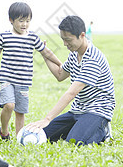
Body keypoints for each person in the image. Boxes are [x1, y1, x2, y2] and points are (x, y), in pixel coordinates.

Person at [26, 15, 115, 146]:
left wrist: (47, 118)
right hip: (77, 110)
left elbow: (71, 93)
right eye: (63, 39)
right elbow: (60, 74)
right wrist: (45, 54)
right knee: (42, 135)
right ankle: (80, 127)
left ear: (82, 35)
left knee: (74, 143)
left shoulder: (93, 59)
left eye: (68, 40)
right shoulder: (74, 54)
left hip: (97, 111)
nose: (65, 44)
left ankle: (102, 129)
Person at [0, 2, 61, 140]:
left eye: (27, 21)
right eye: (21, 21)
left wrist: (60, 64)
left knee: (20, 112)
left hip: (24, 81)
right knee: (9, 105)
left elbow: (46, 52)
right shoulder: (4, 36)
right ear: (11, 20)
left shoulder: (33, 37)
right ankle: (4, 130)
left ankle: (19, 138)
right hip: (7, 79)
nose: (24, 24)